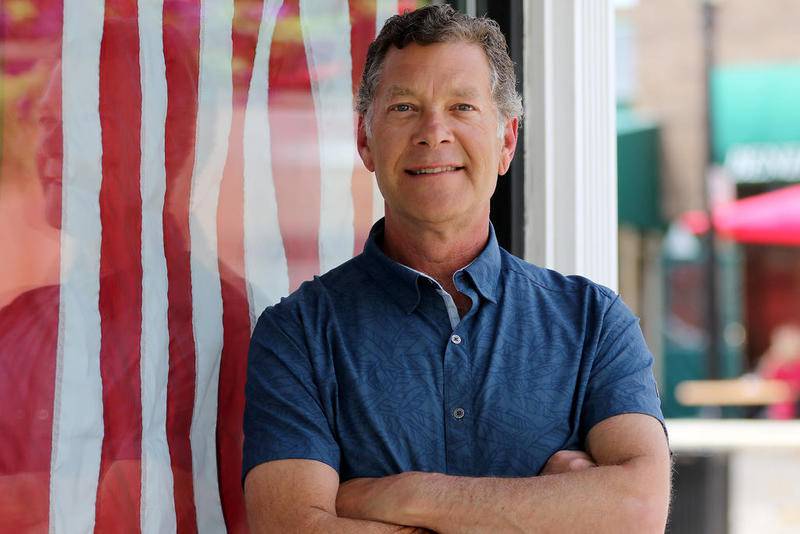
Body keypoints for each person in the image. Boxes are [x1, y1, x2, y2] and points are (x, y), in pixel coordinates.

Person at [243, 5, 671, 533]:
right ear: (365, 141)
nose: (433, 132)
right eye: (403, 108)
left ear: (506, 141)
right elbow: (293, 528)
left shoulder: (593, 323)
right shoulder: (298, 335)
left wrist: (394, 496)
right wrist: (554, 505)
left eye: (462, 106)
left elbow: (638, 510)